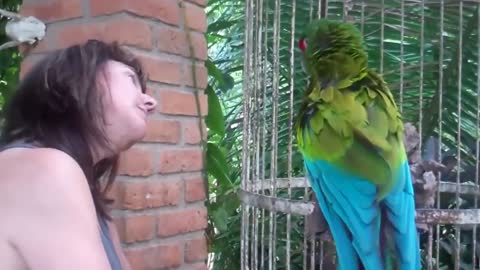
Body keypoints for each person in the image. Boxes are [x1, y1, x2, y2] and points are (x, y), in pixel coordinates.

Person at [0, 39, 157, 270]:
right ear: (76, 84)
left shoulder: (92, 203)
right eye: (130, 80)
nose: (151, 102)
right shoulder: (44, 170)